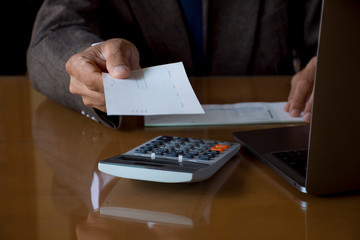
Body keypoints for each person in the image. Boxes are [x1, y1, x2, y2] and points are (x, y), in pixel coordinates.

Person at [27, 0, 321, 128]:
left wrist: (336, 65)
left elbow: (336, 33)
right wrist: (90, 60)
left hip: (270, 148)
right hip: (135, 153)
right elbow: (52, 35)